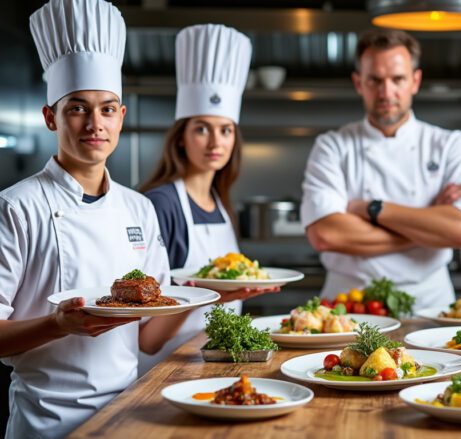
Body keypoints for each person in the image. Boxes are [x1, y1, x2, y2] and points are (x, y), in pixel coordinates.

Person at [0, 0, 191, 437]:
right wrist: (57, 324)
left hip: (127, 415)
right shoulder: (16, 206)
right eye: (77, 108)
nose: (94, 123)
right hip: (48, 422)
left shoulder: (138, 208)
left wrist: (203, 294)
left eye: (107, 109)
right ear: (51, 117)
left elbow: (148, 337)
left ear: (121, 118)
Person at [300, 28, 461, 310]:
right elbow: (326, 235)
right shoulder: (332, 146)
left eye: (397, 79)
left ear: (415, 80)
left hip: (430, 305)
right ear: (358, 83)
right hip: (349, 305)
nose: (386, 92)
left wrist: (371, 209)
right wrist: (428, 226)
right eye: (375, 80)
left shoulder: (449, 144)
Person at [138, 24, 275, 375]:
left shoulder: (219, 202)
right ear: (181, 137)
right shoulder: (161, 204)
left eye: (225, 129)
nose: (215, 141)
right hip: (165, 371)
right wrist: (205, 292)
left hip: (214, 365)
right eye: (201, 128)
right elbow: (146, 338)